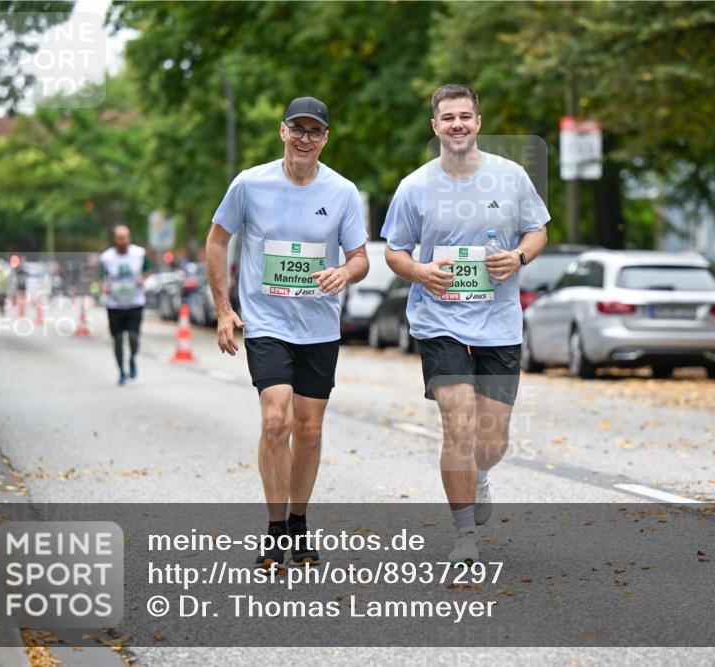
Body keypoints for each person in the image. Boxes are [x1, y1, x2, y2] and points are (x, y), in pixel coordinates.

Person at [382, 84, 550, 564]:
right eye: (448, 117)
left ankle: (480, 475)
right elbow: (394, 250)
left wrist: (518, 256)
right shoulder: (414, 186)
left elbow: (538, 229)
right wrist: (418, 271)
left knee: (491, 439)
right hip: (440, 320)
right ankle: (465, 540)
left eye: (465, 116)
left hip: (498, 321)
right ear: (435, 126)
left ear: (477, 122)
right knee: (458, 424)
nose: (457, 124)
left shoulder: (512, 177)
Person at [205, 96, 369, 569]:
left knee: (310, 430)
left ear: (325, 139)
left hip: (319, 327)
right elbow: (217, 240)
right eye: (296, 129)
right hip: (267, 323)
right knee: (276, 421)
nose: (304, 138)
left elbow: (360, 257)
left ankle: (299, 522)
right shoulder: (250, 184)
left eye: (313, 131)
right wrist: (223, 309)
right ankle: (276, 530)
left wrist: (345, 272)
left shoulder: (342, 192)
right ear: (282, 132)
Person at [99, 225, 151, 385]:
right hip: (115, 304)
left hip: (135, 302)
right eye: (120, 237)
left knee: (134, 337)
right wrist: (103, 286)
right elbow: (101, 277)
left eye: (126, 237)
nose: (124, 240)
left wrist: (143, 277)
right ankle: (121, 371)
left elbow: (148, 270)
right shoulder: (107, 257)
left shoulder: (139, 254)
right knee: (118, 339)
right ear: (114, 239)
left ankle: (133, 358)